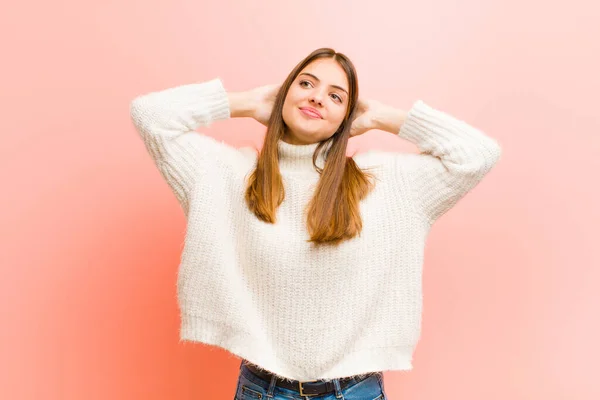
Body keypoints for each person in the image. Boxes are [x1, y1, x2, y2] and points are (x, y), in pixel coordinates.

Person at [129, 47, 502, 399]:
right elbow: (150, 116)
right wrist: (245, 103)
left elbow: (477, 154)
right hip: (262, 389)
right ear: (284, 94)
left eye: (337, 96)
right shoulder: (226, 174)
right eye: (306, 83)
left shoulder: (387, 183)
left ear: (348, 117)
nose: (317, 97)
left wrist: (385, 118)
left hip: (355, 390)